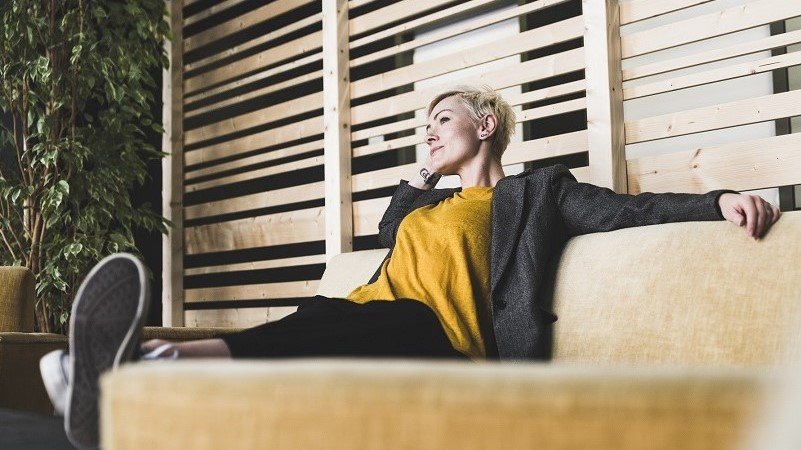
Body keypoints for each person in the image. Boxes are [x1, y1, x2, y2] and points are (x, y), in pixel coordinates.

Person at [40, 85, 781, 449]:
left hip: (448, 341)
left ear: (485, 125)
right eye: (424, 126)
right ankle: (127, 370)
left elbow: (623, 210)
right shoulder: (422, 210)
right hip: (379, 316)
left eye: (443, 120)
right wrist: (422, 174)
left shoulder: (535, 193)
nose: (429, 132)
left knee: (347, 318)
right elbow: (392, 233)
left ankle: (129, 365)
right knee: (324, 317)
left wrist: (716, 199)